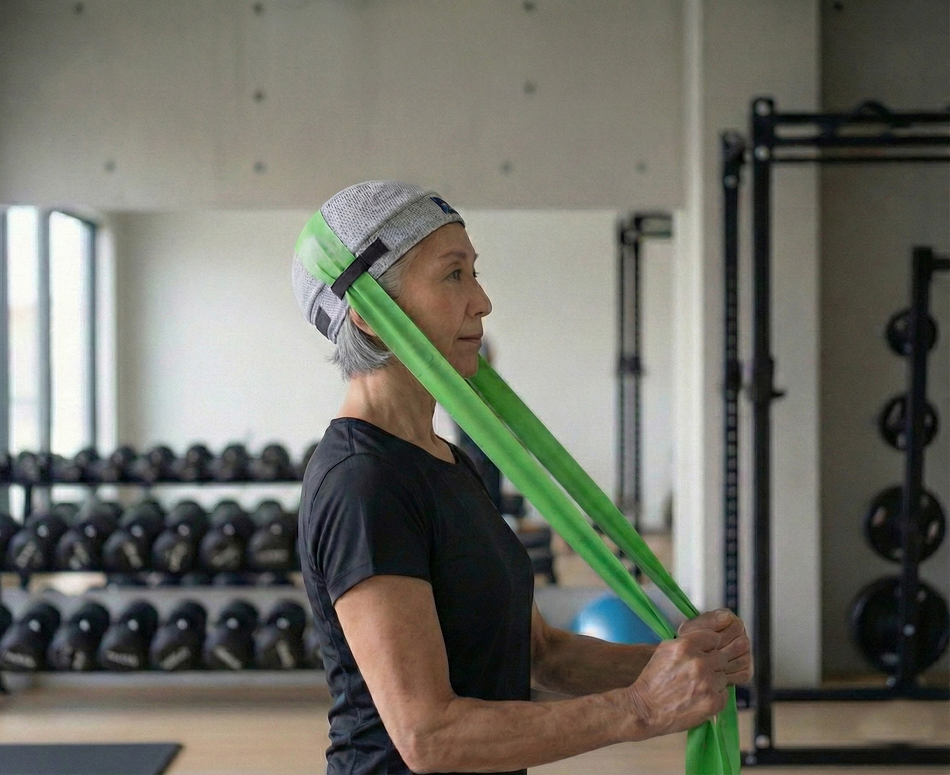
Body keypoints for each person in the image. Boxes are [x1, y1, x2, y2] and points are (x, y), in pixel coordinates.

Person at [292, 181, 752, 775]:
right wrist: (639, 708)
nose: (482, 301)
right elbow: (429, 736)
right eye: (454, 275)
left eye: (474, 274)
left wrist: (684, 663)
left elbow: (539, 652)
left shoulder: (445, 463)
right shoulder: (364, 485)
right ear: (369, 312)